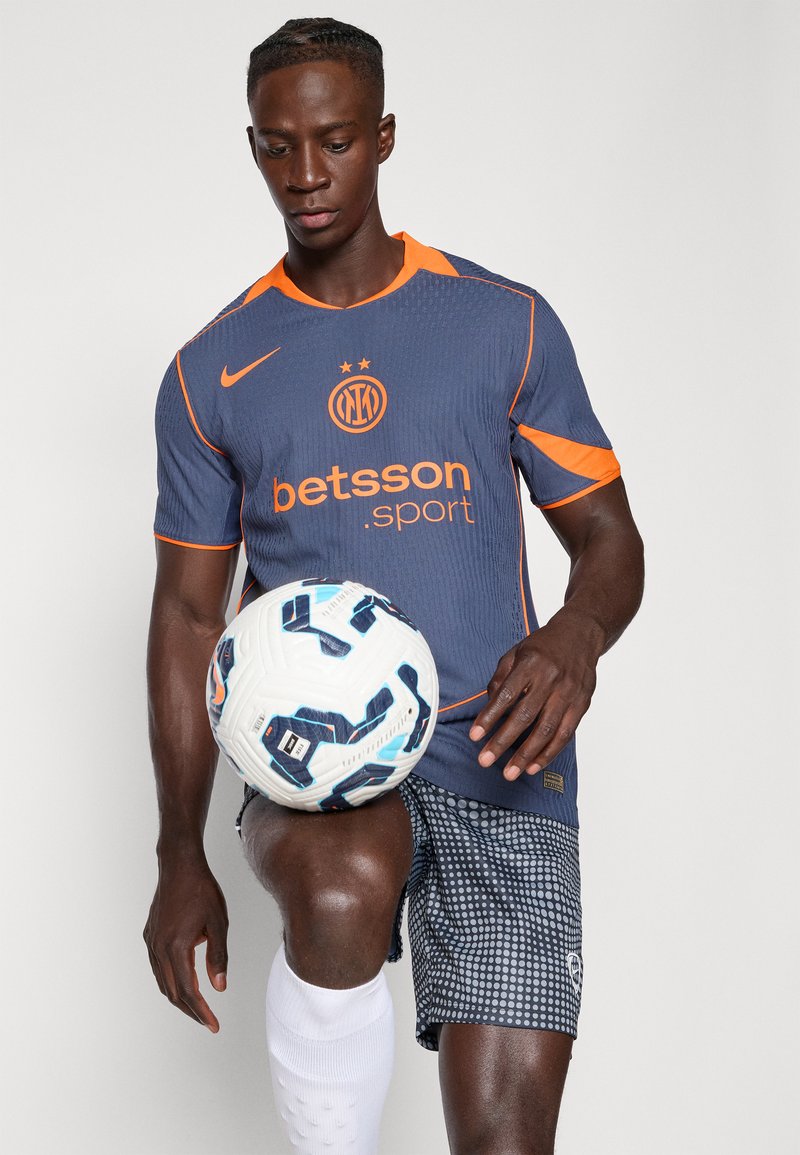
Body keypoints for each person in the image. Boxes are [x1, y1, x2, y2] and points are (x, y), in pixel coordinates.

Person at [144, 17, 644, 1155]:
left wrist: (575, 635)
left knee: (506, 1143)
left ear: (382, 136)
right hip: (317, 756)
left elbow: (610, 539)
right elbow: (186, 614)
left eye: (333, 141)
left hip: (504, 747)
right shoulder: (212, 371)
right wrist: (177, 854)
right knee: (341, 887)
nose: (305, 174)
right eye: (276, 146)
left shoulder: (500, 323)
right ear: (253, 147)